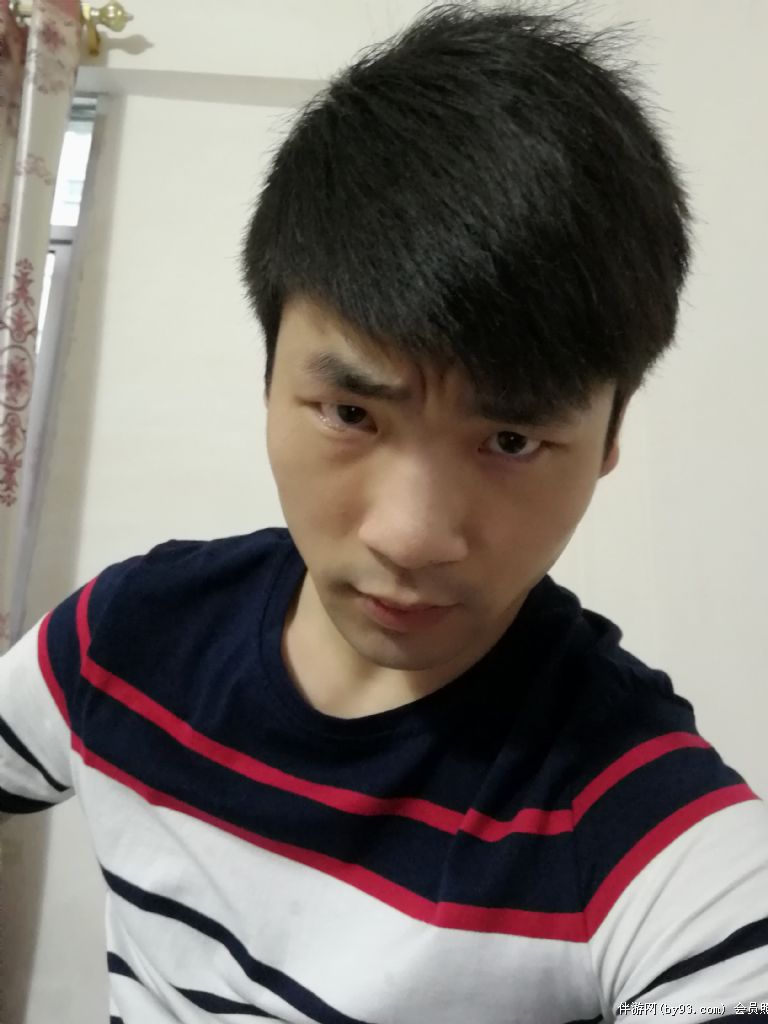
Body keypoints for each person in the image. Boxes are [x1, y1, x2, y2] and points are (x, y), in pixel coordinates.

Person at [2, 3, 767, 1022]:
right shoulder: (129, 637)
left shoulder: (632, 819)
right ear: (269, 381)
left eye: (511, 440)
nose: (411, 535)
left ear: (610, 438)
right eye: (352, 414)